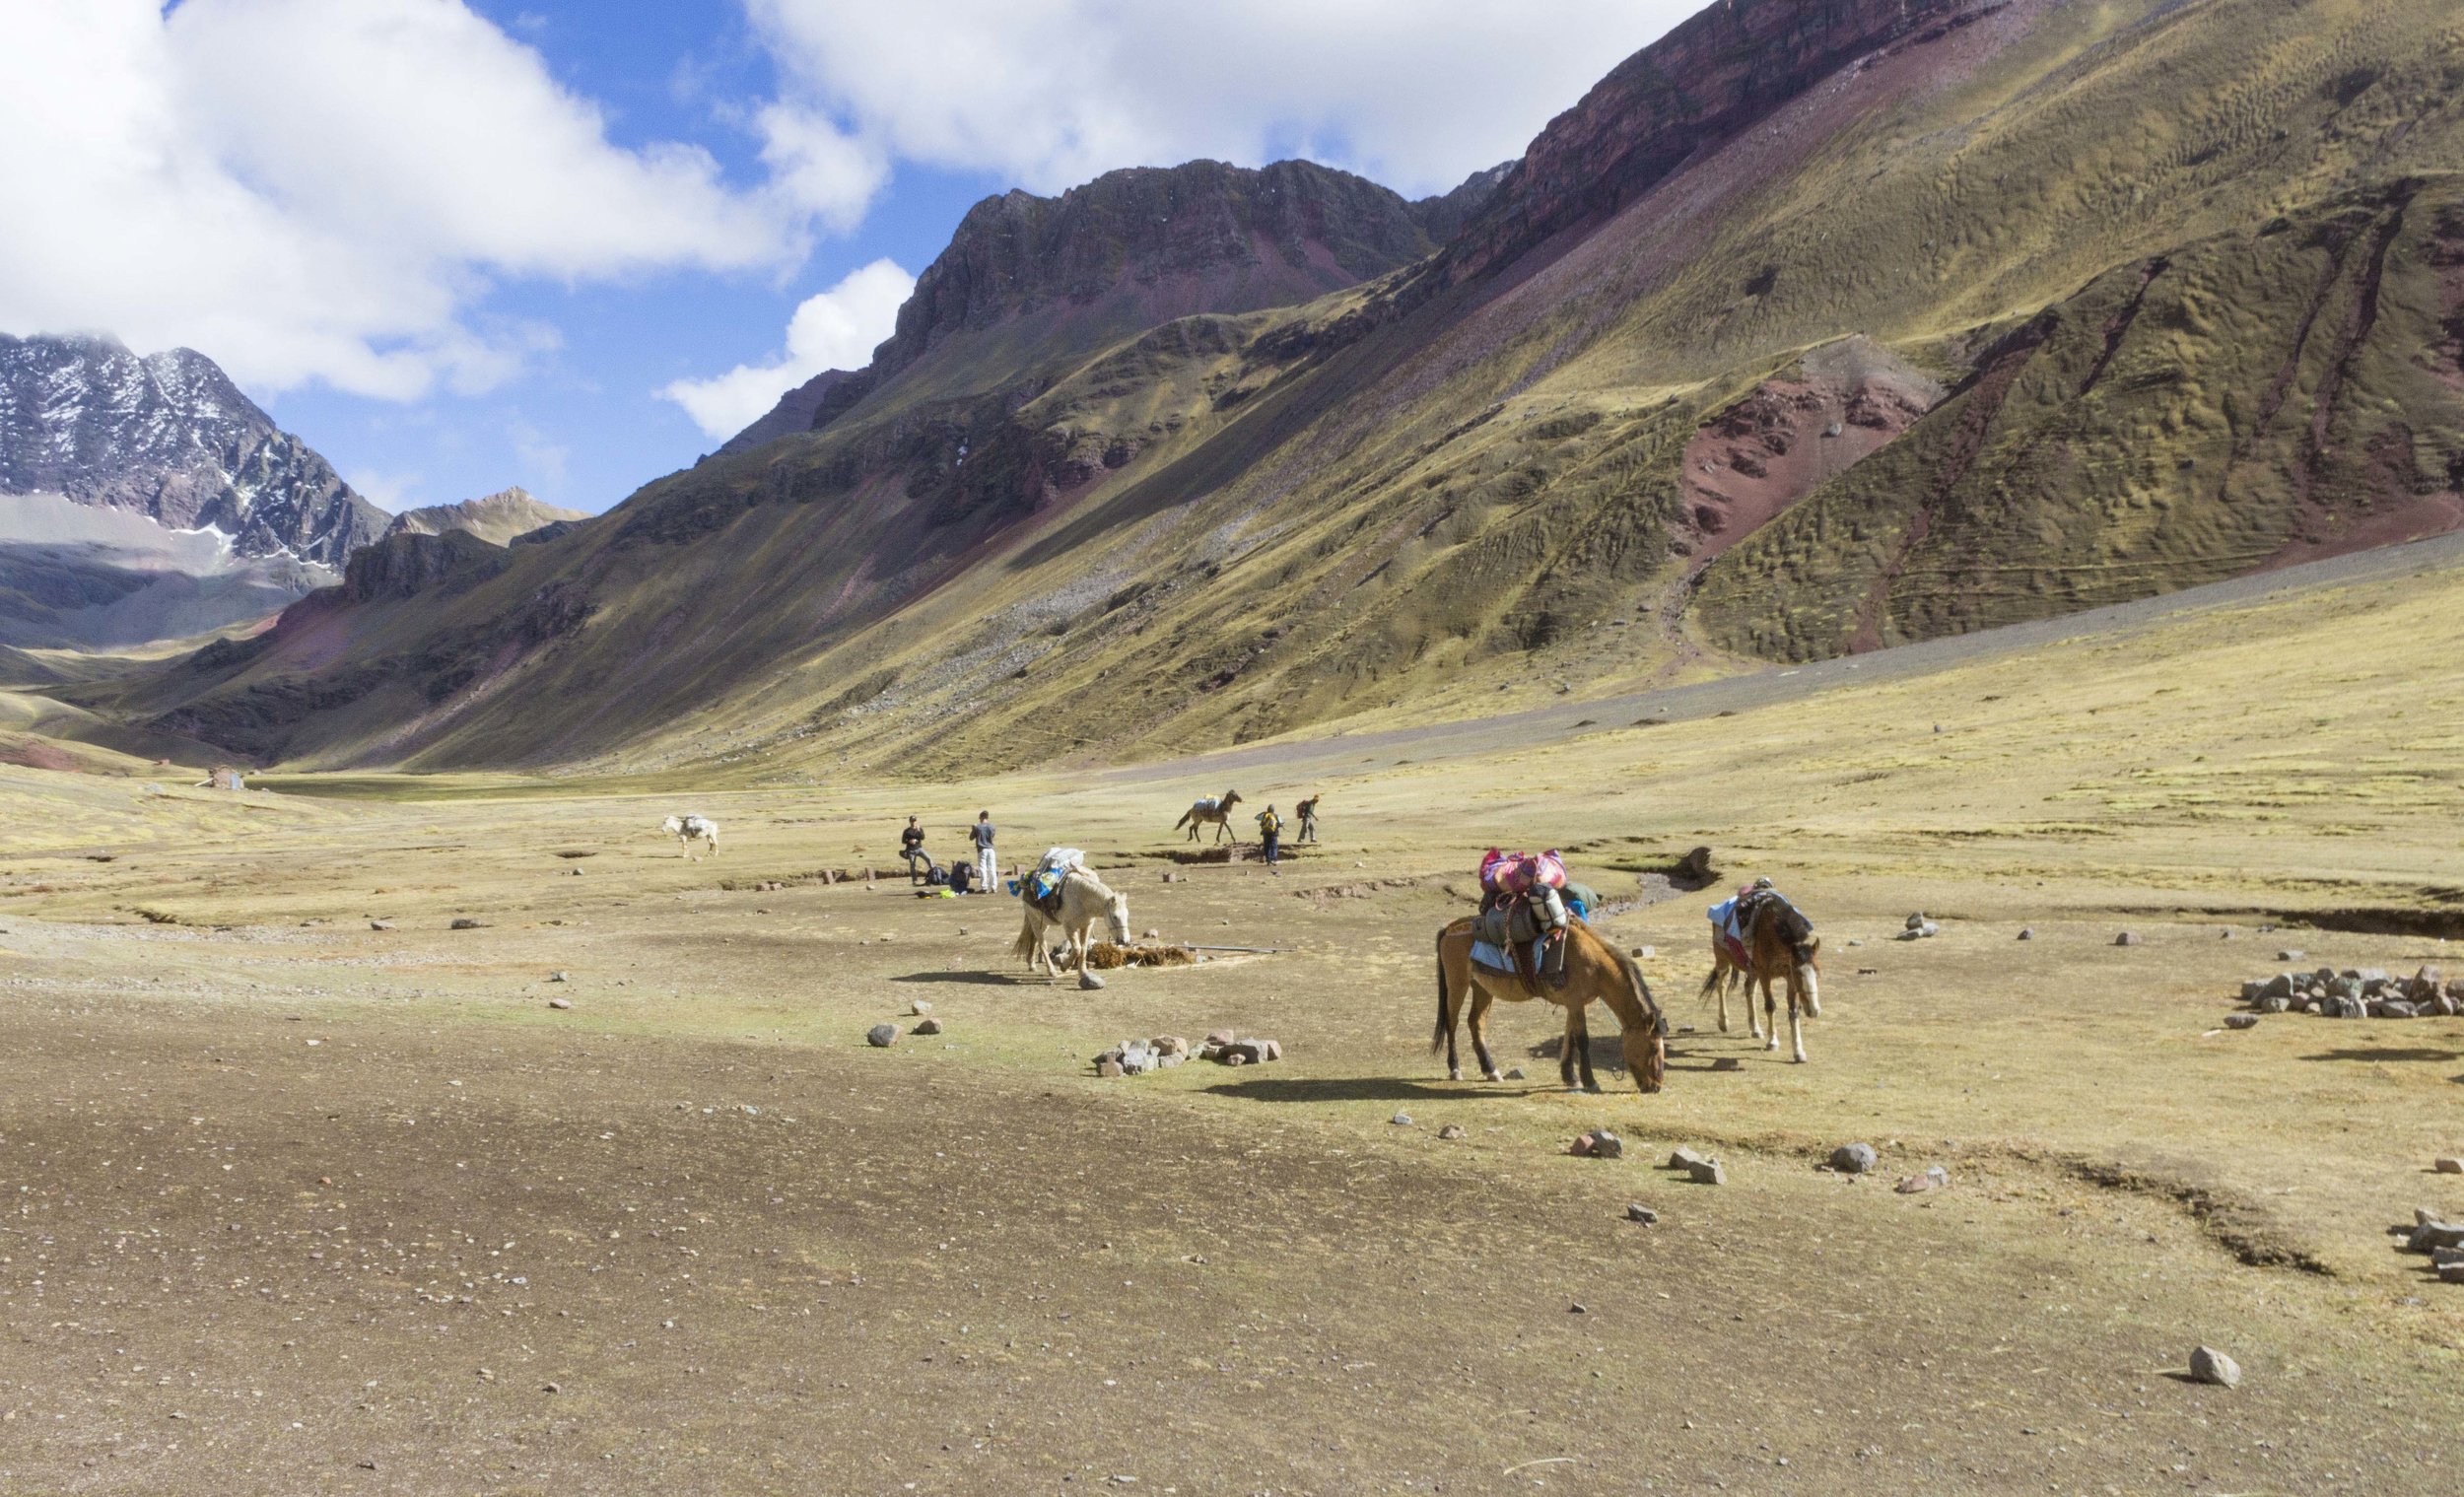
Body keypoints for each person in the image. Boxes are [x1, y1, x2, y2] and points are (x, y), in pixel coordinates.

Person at [970, 811, 998, 895]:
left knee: (983, 868)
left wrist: (973, 829)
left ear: (981, 817)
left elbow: (971, 838)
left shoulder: (977, 827)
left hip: (982, 849)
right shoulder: (992, 826)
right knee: (992, 868)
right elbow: (992, 836)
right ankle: (994, 887)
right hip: (991, 849)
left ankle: (984, 887)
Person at [900, 816, 933, 884]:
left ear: (916, 821)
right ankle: (914, 880)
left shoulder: (919, 829)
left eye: (914, 821)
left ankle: (934, 874)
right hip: (911, 850)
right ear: (910, 822)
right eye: (912, 821)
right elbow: (903, 841)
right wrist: (909, 841)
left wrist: (918, 830)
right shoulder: (906, 831)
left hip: (919, 848)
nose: (913, 822)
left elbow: (923, 837)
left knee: (929, 859)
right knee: (912, 865)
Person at [1256, 804, 1283, 868]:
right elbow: (1281, 823)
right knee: (1274, 846)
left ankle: (1268, 860)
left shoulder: (1265, 815)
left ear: (1268, 809)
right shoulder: (1276, 815)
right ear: (1273, 810)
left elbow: (1256, 818)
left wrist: (1263, 813)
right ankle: (1273, 859)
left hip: (1265, 833)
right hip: (1274, 833)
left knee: (1266, 847)